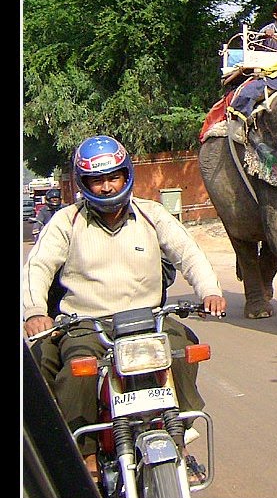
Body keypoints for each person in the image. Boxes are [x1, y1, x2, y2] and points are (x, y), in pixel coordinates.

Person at [22, 135, 228, 480]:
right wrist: (34, 312)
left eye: (112, 177)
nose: (106, 187)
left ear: (126, 175)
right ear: (84, 183)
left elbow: (188, 253)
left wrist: (210, 291)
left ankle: (181, 442)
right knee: (76, 369)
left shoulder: (152, 214)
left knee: (183, 348)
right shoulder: (66, 222)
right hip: (86, 324)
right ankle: (84, 456)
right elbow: (38, 267)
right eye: (97, 180)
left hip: (148, 320)